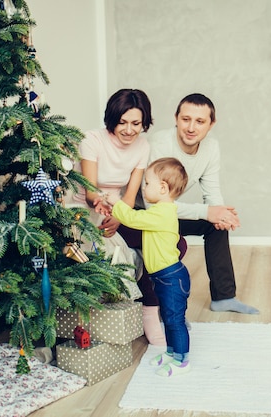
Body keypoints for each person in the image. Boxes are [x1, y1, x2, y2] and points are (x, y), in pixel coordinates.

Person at [142, 93, 258, 314]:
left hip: (169, 213)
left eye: (200, 121)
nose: (191, 127)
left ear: (211, 124)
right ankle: (166, 307)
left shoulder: (211, 148)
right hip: (145, 216)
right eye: (186, 119)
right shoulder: (160, 144)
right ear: (176, 118)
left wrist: (222, 214)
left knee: (216, 225)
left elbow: (212, 192)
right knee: (205, 217)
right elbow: (153, 207)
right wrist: (207, 211)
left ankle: (224, 297)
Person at [71, 88, 169, 344]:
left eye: (136, 123)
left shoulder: (142, 146)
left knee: (172, 242)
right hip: (85, 209)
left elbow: (129, 195)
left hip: (118, 209)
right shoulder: (91, 140)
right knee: (104, 252)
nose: (129, 130)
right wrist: (103, 208)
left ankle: (152, 311)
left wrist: (119, 216)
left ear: (144, 122)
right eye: (122, 122)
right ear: (112, 120)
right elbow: (90, 190)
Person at [96, 157, 191, 377]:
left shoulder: (162, 213)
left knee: (174, 320)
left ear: (163, 188)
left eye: (147, 184)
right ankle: (172, 352)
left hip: (171, 276)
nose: (144, 188)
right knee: (167, 318)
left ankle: (183, 360)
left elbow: (132, 218)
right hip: (163, 277)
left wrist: (115, 200)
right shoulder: (159, 211)